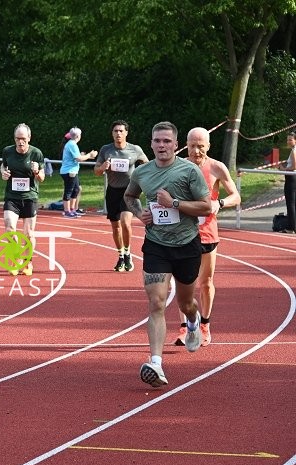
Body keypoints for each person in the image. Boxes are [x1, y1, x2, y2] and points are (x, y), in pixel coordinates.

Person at [123, 121, 211, 388]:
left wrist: (173, 203)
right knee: (157, 303)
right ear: (151, 144)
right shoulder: (142, 172)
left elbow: (206, 207)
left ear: (175, 145)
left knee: (186, 304)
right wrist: (140, 214)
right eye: (157, 141)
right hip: (156, 245)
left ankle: (194, 321)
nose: (161, 145)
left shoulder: (189, 171)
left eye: (166, 141)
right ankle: (156, 363)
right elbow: (129, 196)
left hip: (186, 246)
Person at [171, 127, 241, 346]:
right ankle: (185, 327)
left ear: (208, 146)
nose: (196, 151)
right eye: (192, 146)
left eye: (201, 146)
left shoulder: (216, 168)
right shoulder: (177, 166)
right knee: (183, 282)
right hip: (182, 233)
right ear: (186, 145)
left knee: (206, 281)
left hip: (208, 234)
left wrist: (219, 203)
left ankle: (205, 325)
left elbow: (236, 197)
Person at [94, 120, 149, 272]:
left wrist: (142, 168)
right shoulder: (106, 149)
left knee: (125, 222)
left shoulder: (134, 149)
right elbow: (96, 170)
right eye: (115, 131)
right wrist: (103, 167)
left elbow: (146, 162)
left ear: (126, 133)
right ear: (112, 133)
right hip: (112, 191)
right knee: (116, 226)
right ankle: (121, 255)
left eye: (121, 131)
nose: (118, 133)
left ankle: (128, 252)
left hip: (129, 191)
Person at [0, 123, 45, 276]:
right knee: (10, 227)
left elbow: (42, 178)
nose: (20, 142)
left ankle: (28, 261)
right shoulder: (7, 151)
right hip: (12, 197)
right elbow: (3, 166)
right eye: (17, 139)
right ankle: (16, 258)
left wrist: (37, 171)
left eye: (23, 139)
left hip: (29, 197)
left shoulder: (36, 153)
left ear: (29, 138)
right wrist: (3, 173)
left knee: (29, 234)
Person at [60, 127, 97, 218]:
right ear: (78, 136)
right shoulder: (72, 144)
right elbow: (78, 158)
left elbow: (77, 157)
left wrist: (84, 155)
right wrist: (89, 155)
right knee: (69, 190)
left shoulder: (71, 144)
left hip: (72, 171)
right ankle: (67, 211)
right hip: (69, 171)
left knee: (76, 189)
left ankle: (72, 209)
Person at [277, 131, 296, 233]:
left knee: (291, 203)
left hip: (291, 178)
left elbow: (294, 167)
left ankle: (291, 227)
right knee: (293, 202)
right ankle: (293, 226)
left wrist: (283, 168)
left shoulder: (294, 150)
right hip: (293, 178)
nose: (288, 142)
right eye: (287, 139)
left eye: (290, 140)